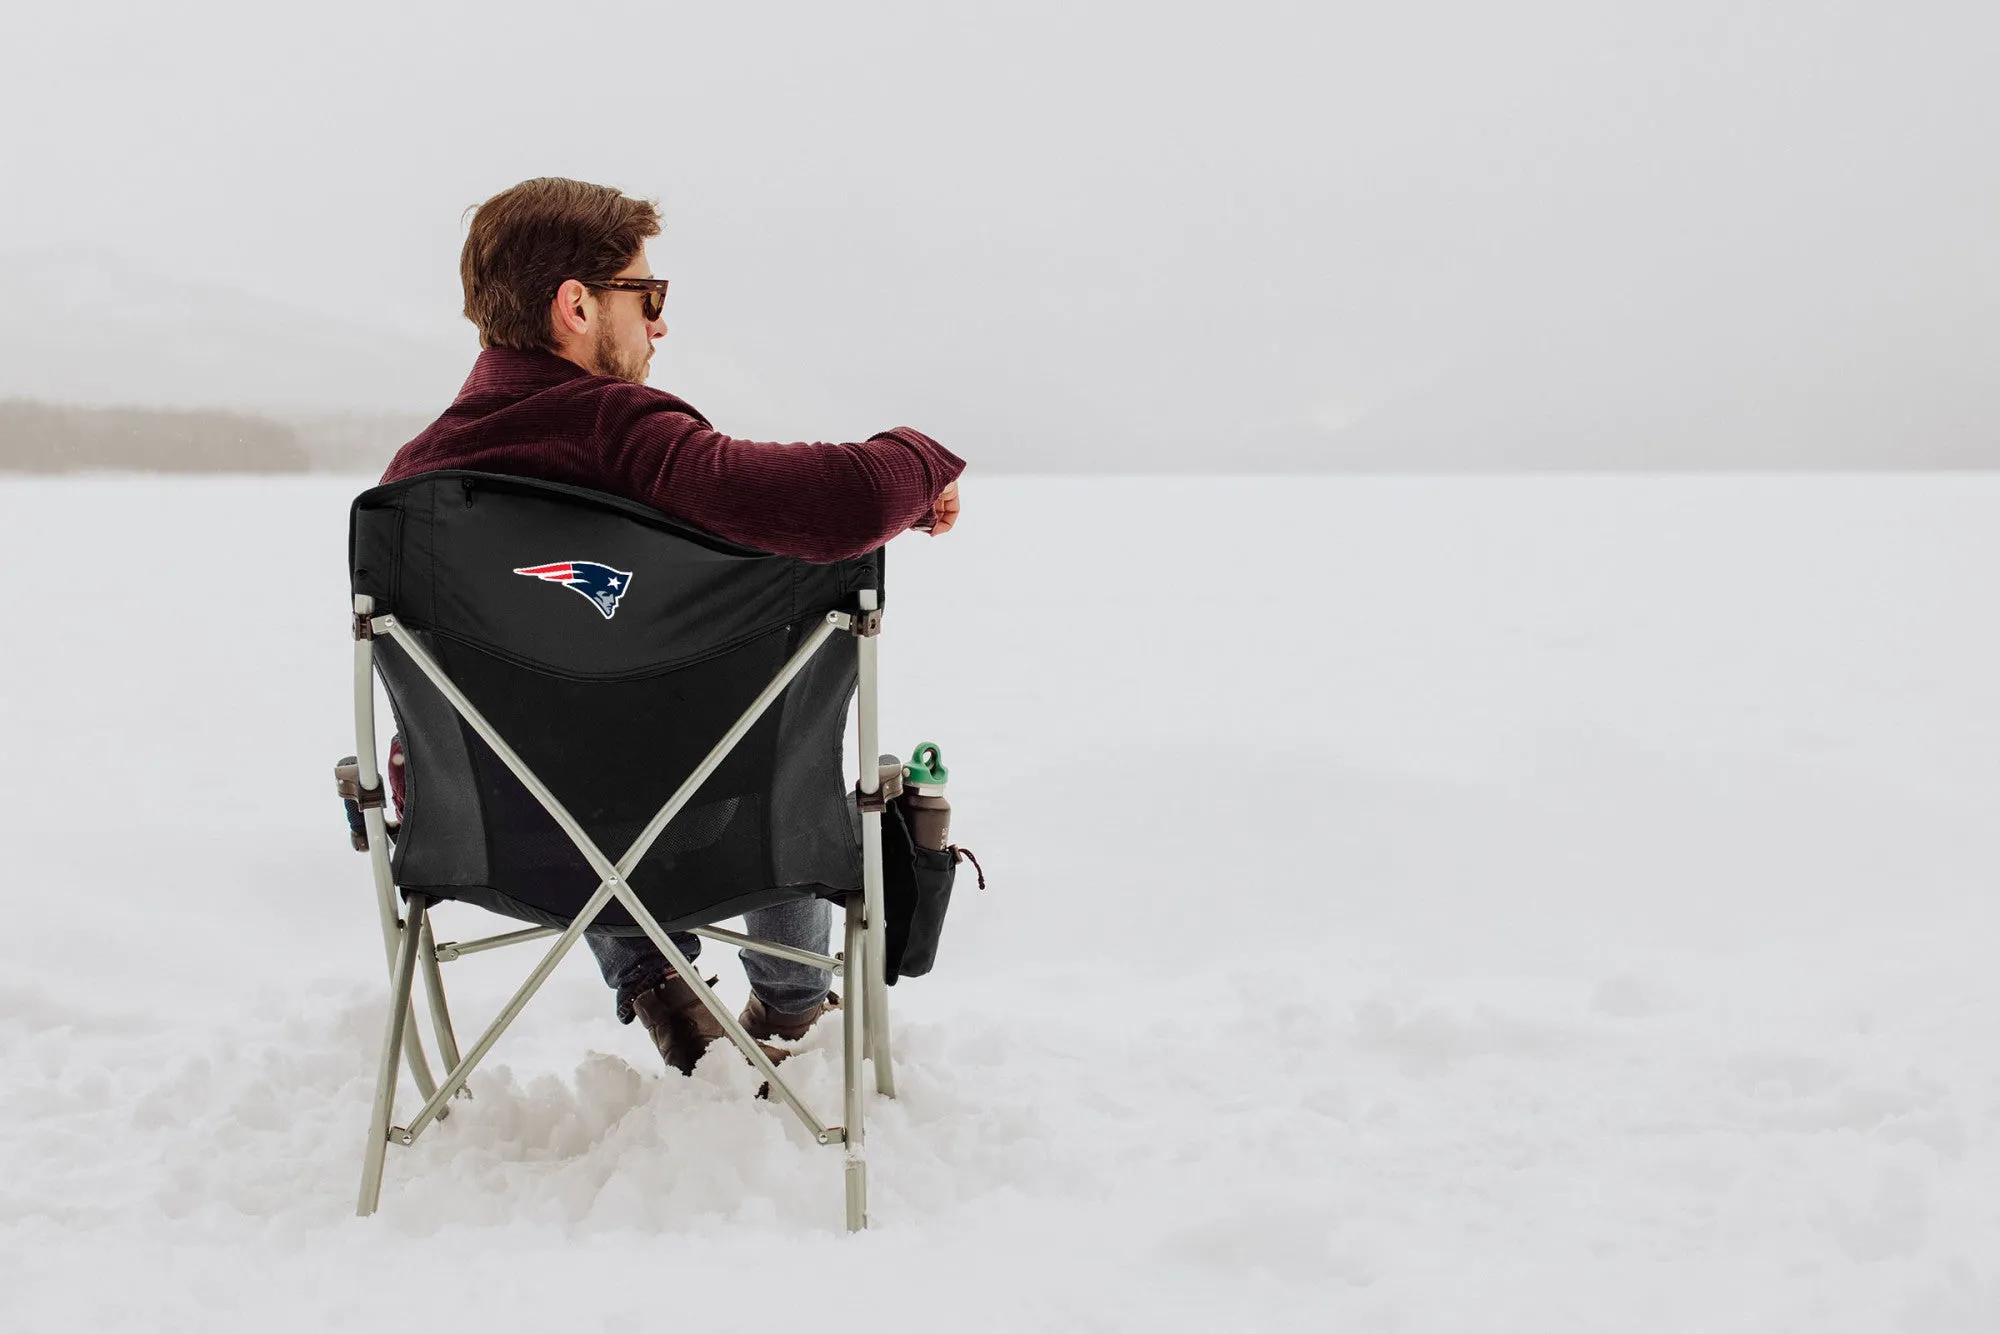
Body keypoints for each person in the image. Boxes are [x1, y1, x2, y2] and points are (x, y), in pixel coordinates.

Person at [380, 176, 963, 1077]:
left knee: (552, 744)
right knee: (770, 713)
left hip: (490, 839)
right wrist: (923, 464)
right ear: (575, 305)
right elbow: (842, 504)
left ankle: (656, 986)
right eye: (647, 298)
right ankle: (794, 1002)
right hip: (706, 833)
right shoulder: (624, 436)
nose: (660, 325)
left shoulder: (410, 493)